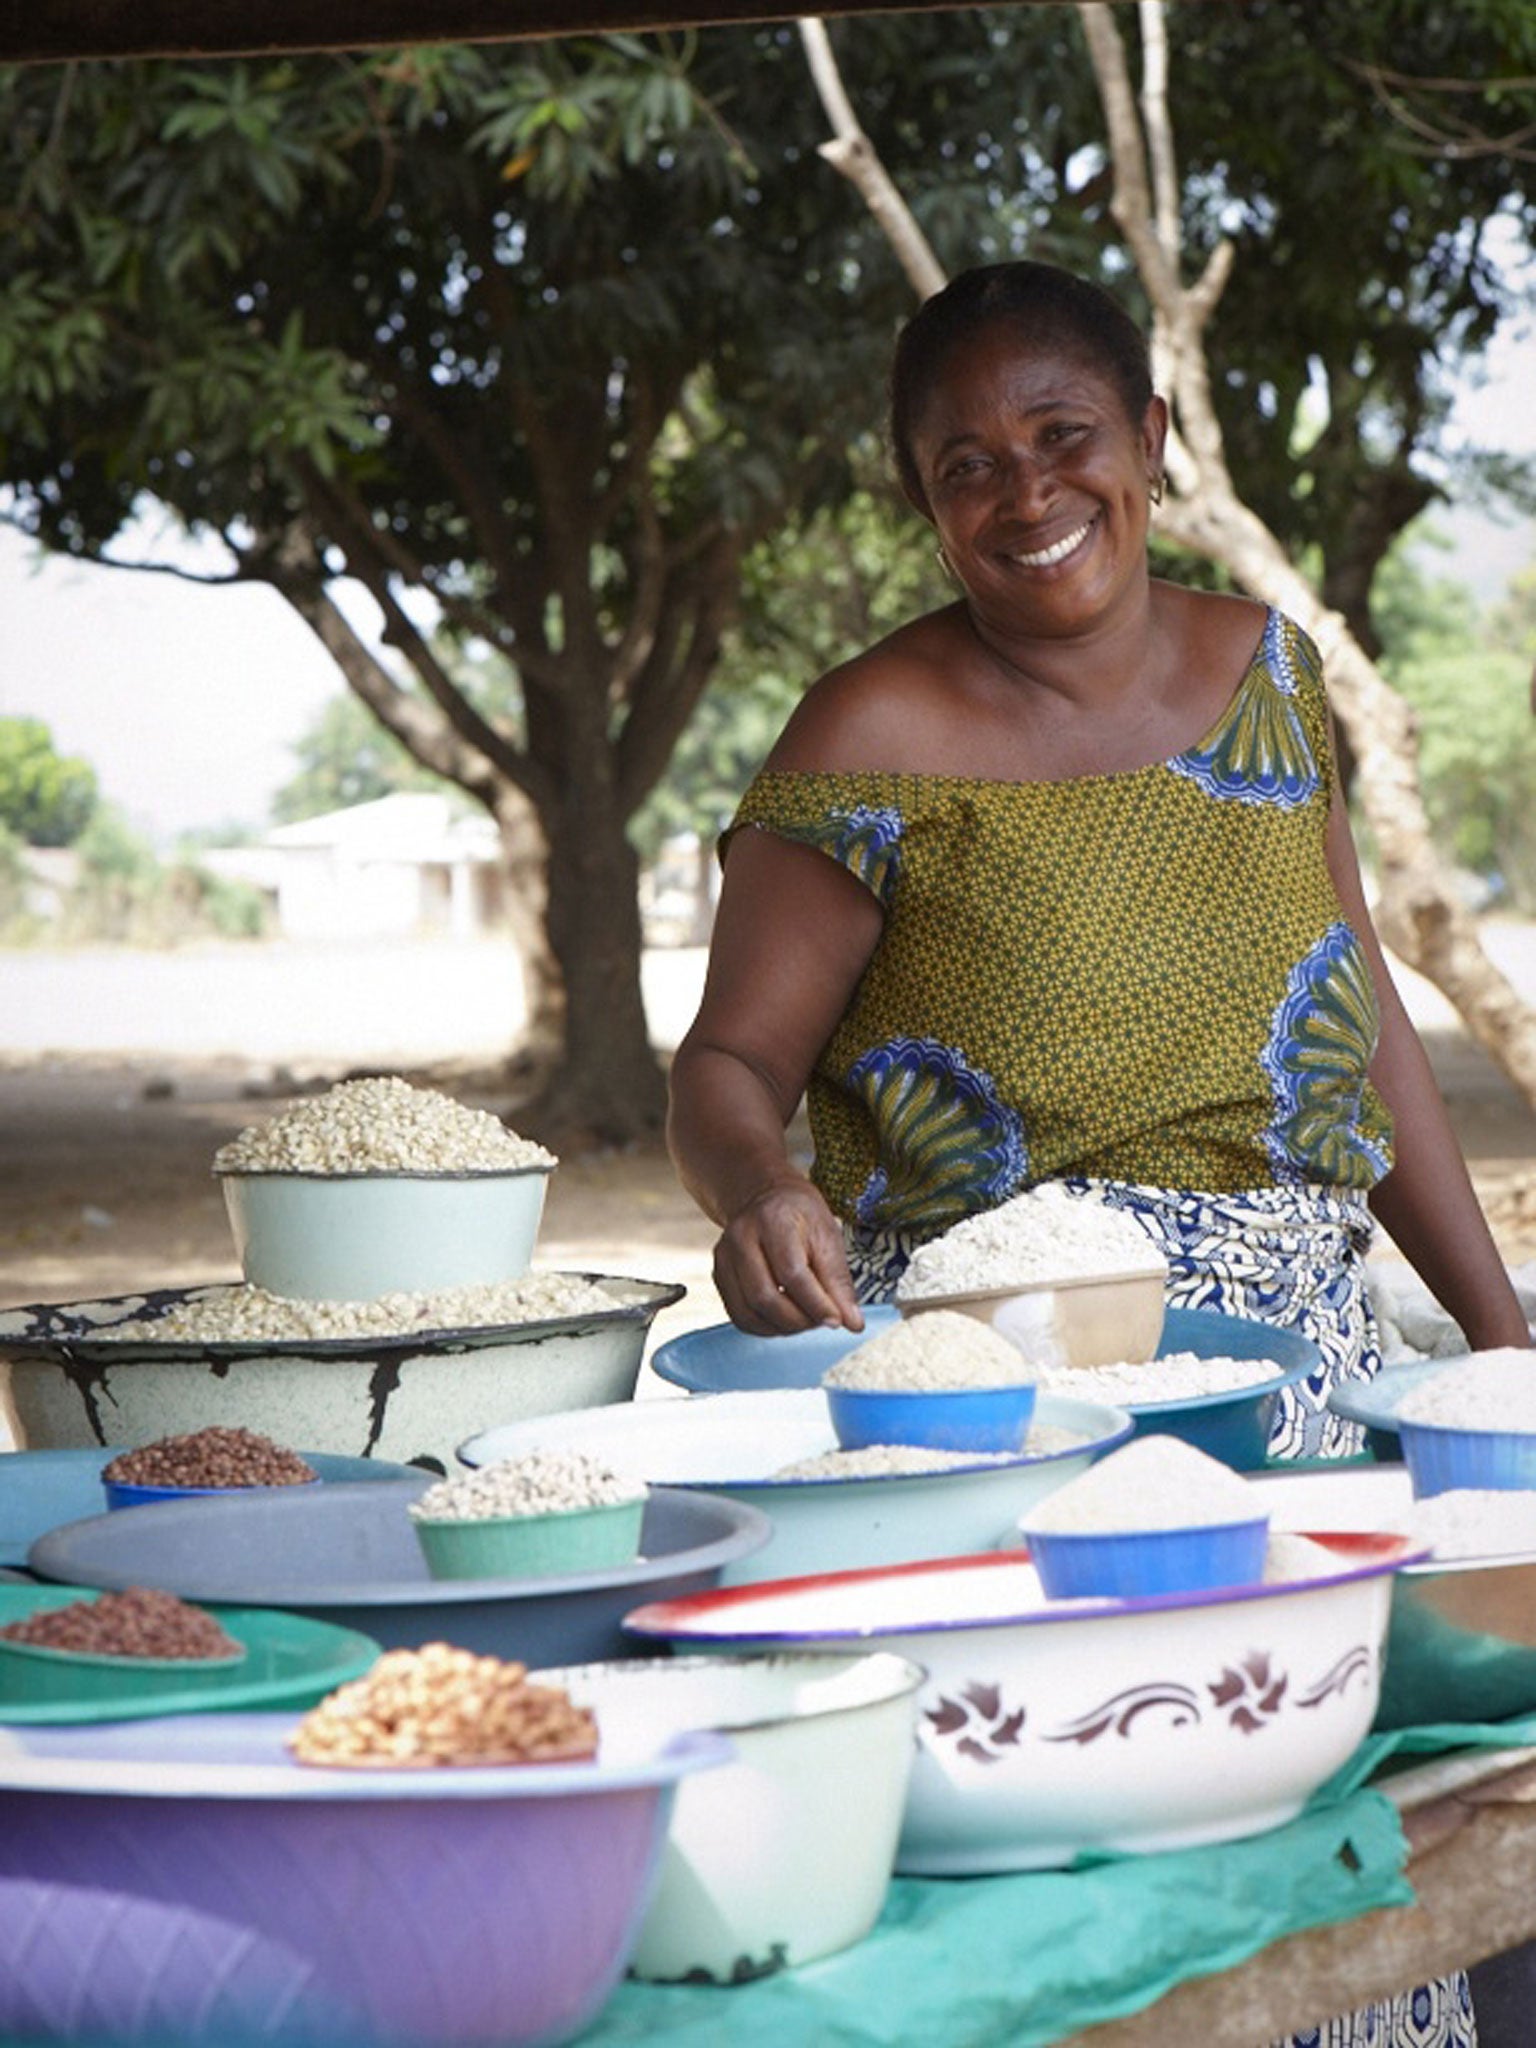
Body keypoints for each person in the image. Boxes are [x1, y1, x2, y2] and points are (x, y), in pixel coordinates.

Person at [667, 260, 1530, 2046]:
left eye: (1063, 435)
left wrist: (1500, 1342)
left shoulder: (1265, 673)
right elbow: (730, 1060)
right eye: (965, 464)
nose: (1026, 493)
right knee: (1123, 1870)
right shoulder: (863, 742)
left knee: (1353, 1854)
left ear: (1149, 437)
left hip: (1315, 1394)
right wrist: (759, 1185)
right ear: (923, 502)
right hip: (1020, 1420)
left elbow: (1353, 1019)